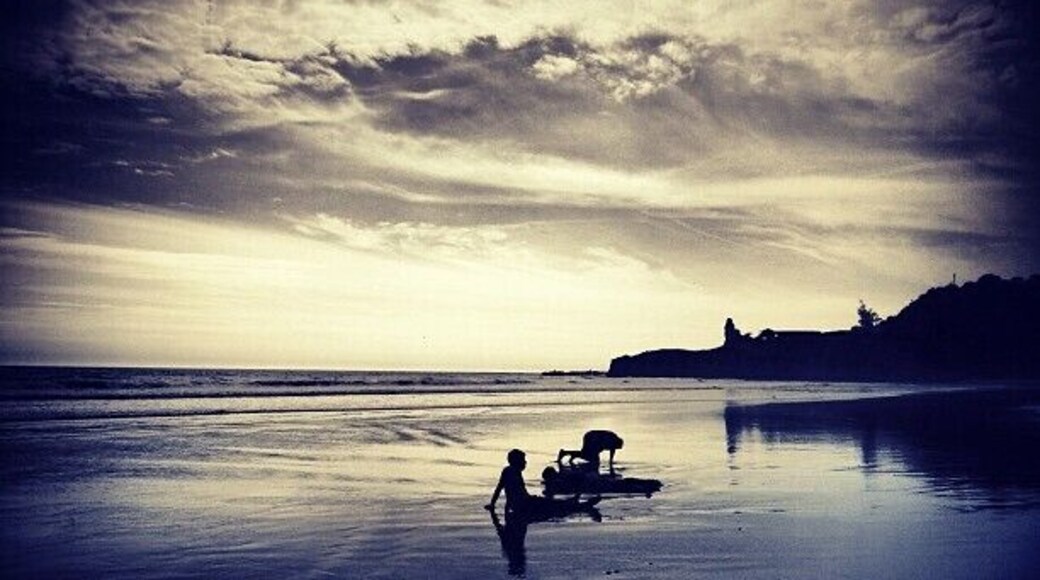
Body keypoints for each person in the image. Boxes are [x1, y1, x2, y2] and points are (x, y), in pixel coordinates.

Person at [486, 449, 599, 518]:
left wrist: (494, 505)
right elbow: (511, 493)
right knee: (553, 507)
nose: (525, 462)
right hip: (525, 505)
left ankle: (573, 503)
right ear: (516, 461)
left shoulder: (508, 471)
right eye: (523, 460)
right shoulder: (514, 472)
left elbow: (502, 489)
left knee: (550, 503)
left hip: (523, 504)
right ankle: (580, 506)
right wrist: (507, 507)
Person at [557, 430, 624, 472]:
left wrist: (611, 462)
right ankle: (564, 453)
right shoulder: (610, 439)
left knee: (588, 456)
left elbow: (612, 451)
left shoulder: (613, 442)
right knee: (588, 456)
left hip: (594, 438)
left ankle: (566, 453)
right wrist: (596, 457)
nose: (616, 448)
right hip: (591, 437)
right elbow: (599, 447)